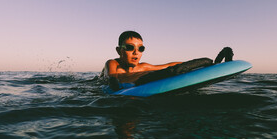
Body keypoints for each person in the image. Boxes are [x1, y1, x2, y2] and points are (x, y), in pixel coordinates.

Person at [100, 30, 233, 89]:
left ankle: (209, 61)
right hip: (122, 87)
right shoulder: (112, 63)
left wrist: (189, 65)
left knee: (170, 71)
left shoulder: (144, 67)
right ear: (119, 51)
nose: (136, 52)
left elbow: (168, 65)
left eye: (141, 48)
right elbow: (111, 79)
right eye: (130, 47)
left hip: (136, 83)